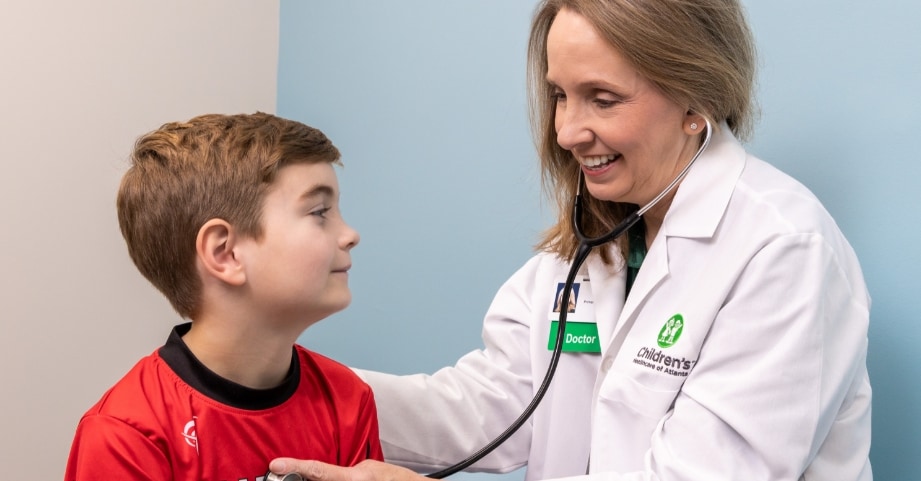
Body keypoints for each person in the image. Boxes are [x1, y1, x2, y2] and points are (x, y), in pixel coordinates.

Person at [271, 0, 872, 480]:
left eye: (602, 99)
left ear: (697, 98)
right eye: (560, 94)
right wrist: (292, 385)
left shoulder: (783, 248)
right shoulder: (600, 238)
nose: (566, 131)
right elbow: (496, 405)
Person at [65, 112, 384, 480]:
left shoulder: (347, 399)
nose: (350, 234)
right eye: (319, 212)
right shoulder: (127, 434)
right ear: (225, 254)